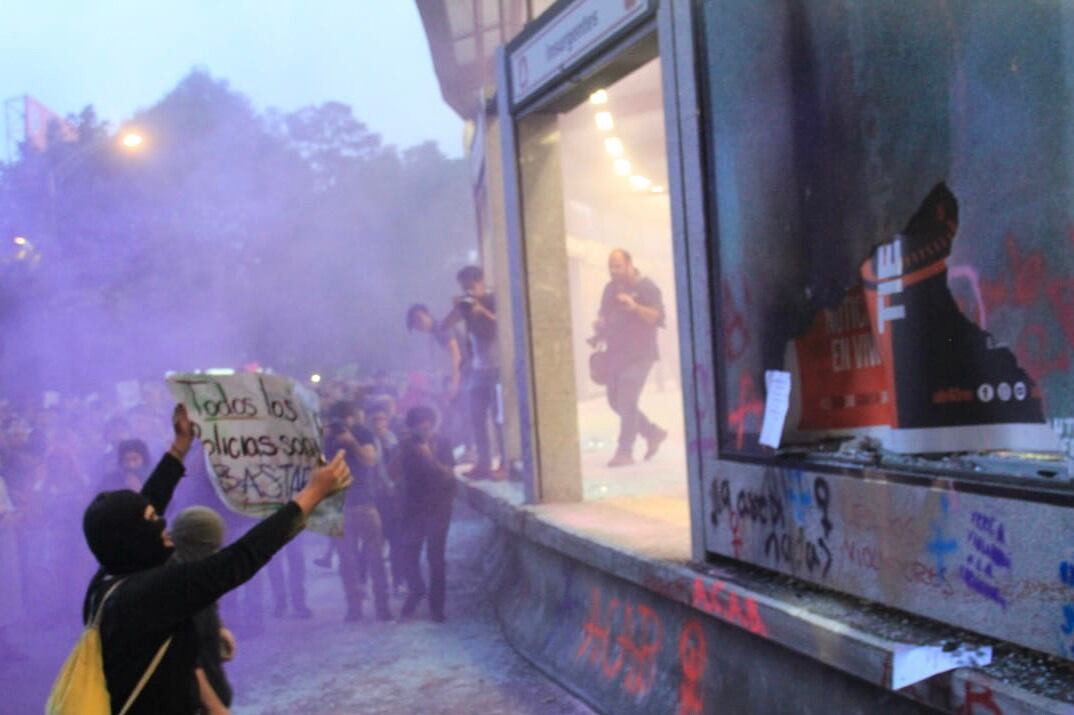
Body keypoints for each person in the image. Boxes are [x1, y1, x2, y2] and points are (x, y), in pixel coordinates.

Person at [80, 404, 351, 715]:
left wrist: (180, 446)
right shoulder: (151, 591)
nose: (162, 524)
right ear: (132, 538)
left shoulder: (106, 580)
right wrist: (312, 494)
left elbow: (145, 502)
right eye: (152, 521)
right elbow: (240, 557)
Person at [593, 249, 669, 467]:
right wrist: (599, 323)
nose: (614, 271)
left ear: (629, 264)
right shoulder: (610, 289)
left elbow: (657, 317)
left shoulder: (647, 287)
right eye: (611, 266)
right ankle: (652, 432)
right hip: (616, 354)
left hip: (640, 354)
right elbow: (603, 314)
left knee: (627, 399)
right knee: (616, 402)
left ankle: (624, 451)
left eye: (618, 266)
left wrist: (635, 307)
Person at [391, 406, 456, 622]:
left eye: (427, 425)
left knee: (436, 559)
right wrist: (401, 451)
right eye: (419, 425)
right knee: (408, 554)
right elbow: (392, 473)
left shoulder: (443, 443)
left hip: (439, 508)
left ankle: (436, 608)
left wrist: (428, 456)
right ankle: (416, 589)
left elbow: (448, 476)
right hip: (414, 508)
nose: (424, 429)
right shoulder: (407, 446)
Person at [325, 421, 392, 622]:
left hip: (364, 506)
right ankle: (355, 608)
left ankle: (382, 606)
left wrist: (352, 443)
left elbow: (369, 460)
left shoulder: (362, 437)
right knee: (348, 564)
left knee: (376, 560)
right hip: (341, 510)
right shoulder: (328, 444)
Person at [441, 266, 504, 479]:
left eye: (471, 286)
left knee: (499, 418)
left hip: (498, 368)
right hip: (478, 369)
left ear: (480, 282)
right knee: (476, 418)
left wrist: (481, 310)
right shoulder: (466, 307)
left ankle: (504, 463)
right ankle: (483, 463)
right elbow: (445, 325)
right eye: (464, 288)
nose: (468, 291)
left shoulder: (494, 300)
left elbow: (503, 324)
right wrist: (457, 308)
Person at [170, 506, 234, 715]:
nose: (216, 554)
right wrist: (214, 706)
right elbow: (186, 660)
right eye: (212, 548)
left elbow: (208, 604)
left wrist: (219, 628)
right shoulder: (178, 587)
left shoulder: (193, 573)